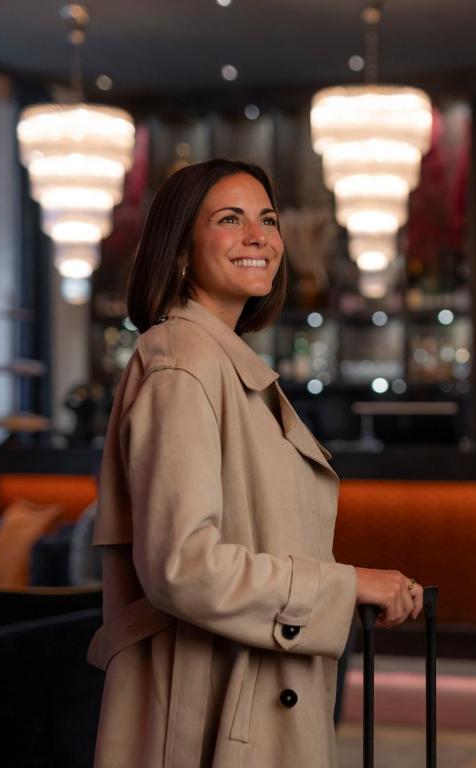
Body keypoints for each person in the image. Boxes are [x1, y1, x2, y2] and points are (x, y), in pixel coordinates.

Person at [88, 158, 423, 767]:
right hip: (206, 709)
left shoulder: (218, 359)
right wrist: (345, 585)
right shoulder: (183, 367)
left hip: (246, 689)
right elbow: (183, 565)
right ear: (183, 252)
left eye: (267, 220)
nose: (258, 237)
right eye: (229, 219)